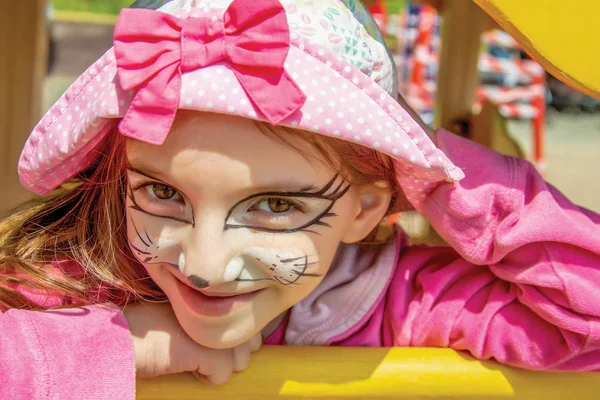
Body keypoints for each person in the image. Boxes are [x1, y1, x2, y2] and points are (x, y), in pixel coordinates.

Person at [2, 0, 600, 398]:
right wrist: (117, 344)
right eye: (161, 192)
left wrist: (433, 168)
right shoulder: (72, 281)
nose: (206, 266)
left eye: (278, 206)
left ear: (366, 207)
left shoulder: (397, 300)